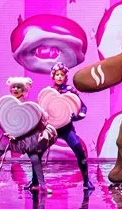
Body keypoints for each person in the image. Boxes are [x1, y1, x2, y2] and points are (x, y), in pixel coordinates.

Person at [26, 63, 93, 191]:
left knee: (79, 151)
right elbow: (40, 109)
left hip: (67, 129)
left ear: (65, 76)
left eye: (62, 74)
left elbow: (82, 107)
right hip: (51, 129)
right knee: (37, 153)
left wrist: (76, 116)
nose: (60, 77)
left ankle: (86, 181)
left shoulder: (70, 91)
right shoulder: (48, 93)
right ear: (53, 76)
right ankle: (34, 181)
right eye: (57, 74)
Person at [0, 77, 57, 194]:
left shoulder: (29, 105)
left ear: (24, 90)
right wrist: (6, 128)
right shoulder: (4, 104)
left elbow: (39, 118)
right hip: (6, 135)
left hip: (25, 136)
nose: (16, 89)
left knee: (34, 158)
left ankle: (42, 185)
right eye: (14, 87)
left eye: (19, 87)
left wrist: (21, 131)